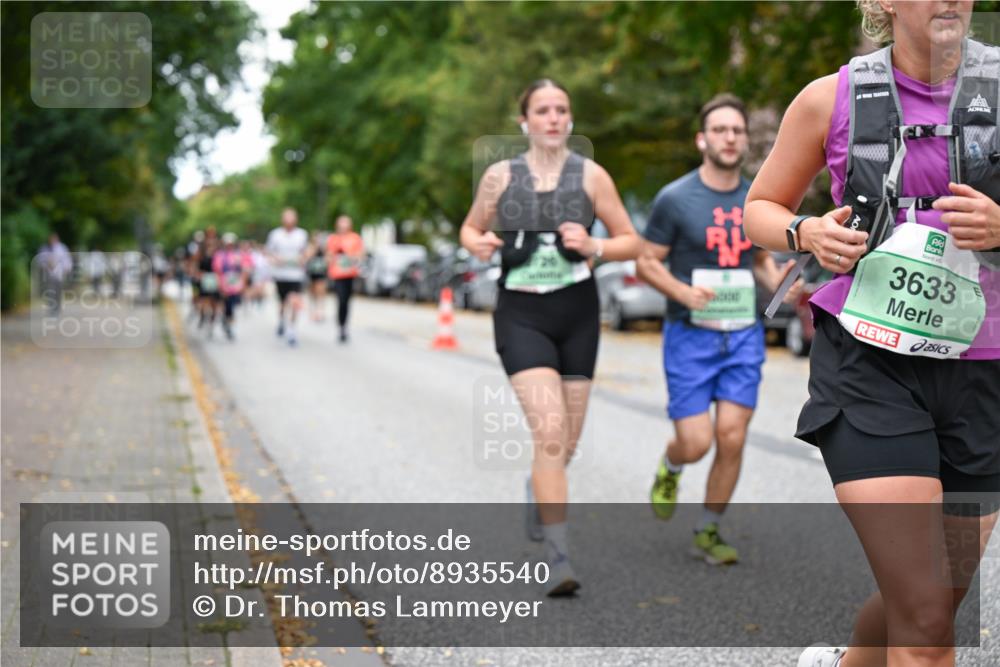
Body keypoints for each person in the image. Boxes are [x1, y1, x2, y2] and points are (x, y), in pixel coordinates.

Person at [743, 2, 999, 665]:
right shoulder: (829, 98)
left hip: (985, 370)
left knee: (932, 600)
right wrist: (807, 231)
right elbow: (760, 209)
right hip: (869, 365)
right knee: (925, 617)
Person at [460, 79, 640, 595]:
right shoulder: (500, 177)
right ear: (525, 122)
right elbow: (469, 229)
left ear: (570, 119)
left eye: (561, 109)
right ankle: (559, 558)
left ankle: (538, 484)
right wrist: (479, 243)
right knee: (551, 432)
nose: (554, 118)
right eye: (543, 110)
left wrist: (594, 245)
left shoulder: (591, 176)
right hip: (521, 315)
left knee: (565, 444)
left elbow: (632, 242)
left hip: (577, 314)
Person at [638, 94, 799, 566]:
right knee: (696, 442)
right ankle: (672, 465)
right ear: (701, 139)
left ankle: (708, 529)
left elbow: (760, 260)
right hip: (690, 335)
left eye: (737, 131)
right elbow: (647, 262)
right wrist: (682, 292)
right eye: (720, 130)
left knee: (731, 436)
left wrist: (779, 284)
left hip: (743, 334)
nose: (730, 138)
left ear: (746, 140)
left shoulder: (757, 199)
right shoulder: (675, 199)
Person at [266, 208, 309, 347]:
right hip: (280, 274)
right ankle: (282, 321)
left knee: (295, 301)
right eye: (286, 217)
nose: (289, 220)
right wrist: (275, 259)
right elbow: (268, 252)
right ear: (282, 219)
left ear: (296, 219)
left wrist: (303, 259)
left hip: (296, 274)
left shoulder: (302, 234)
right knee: (283, 302)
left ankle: (291, 330)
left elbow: (306, 252)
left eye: (291, 217)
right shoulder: (275, 234)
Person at [326, 215, 364, 343]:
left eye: (345, 223)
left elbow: (360, 254)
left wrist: (352, 258)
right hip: (337, 274)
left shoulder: (355, 238)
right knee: (341, 300)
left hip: (350, 274)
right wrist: (333, 257)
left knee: (347, 301)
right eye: (341, 223)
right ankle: (341, 326)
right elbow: (329, 256)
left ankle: (344, 325)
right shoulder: (333, 238)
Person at [212, 233, 252, 341]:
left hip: (236, 286)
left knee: (233, 306)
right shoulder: (219, 255)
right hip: (223, 285)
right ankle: (226, 322)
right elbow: (217, 271)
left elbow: (245, 270)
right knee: (226, 306)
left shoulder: (239, 255)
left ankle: (230, 325)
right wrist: (220, 285)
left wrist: (243, 284)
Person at [193, 228, 221, 337]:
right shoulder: (201, 251)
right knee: (203, 302)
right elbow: (195, 264)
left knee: (215, 303)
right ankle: (203, 317)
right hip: (204, 278)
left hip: (215, 278)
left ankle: (212, 323)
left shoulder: (218, 251)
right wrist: (198, 274)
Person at [36, 233, 72, 315]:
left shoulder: (62, 248)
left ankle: (57, 307)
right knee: (50, 291)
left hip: (59, 273)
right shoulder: (44, 248)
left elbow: (66, 259)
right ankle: (51, 307)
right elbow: (39, 260)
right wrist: (46, 264)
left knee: (58, 291)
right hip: (48, 273)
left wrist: (67, 268)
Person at [306, 229, 329, 322]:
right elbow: (308, 256)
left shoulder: (324, 248)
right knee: (313, 292)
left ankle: (320, 312)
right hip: (312, 272)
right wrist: (315, 247)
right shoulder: (310, 246)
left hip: (321, 272)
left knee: (321, 291)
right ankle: (312, 311)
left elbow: (328, 258)